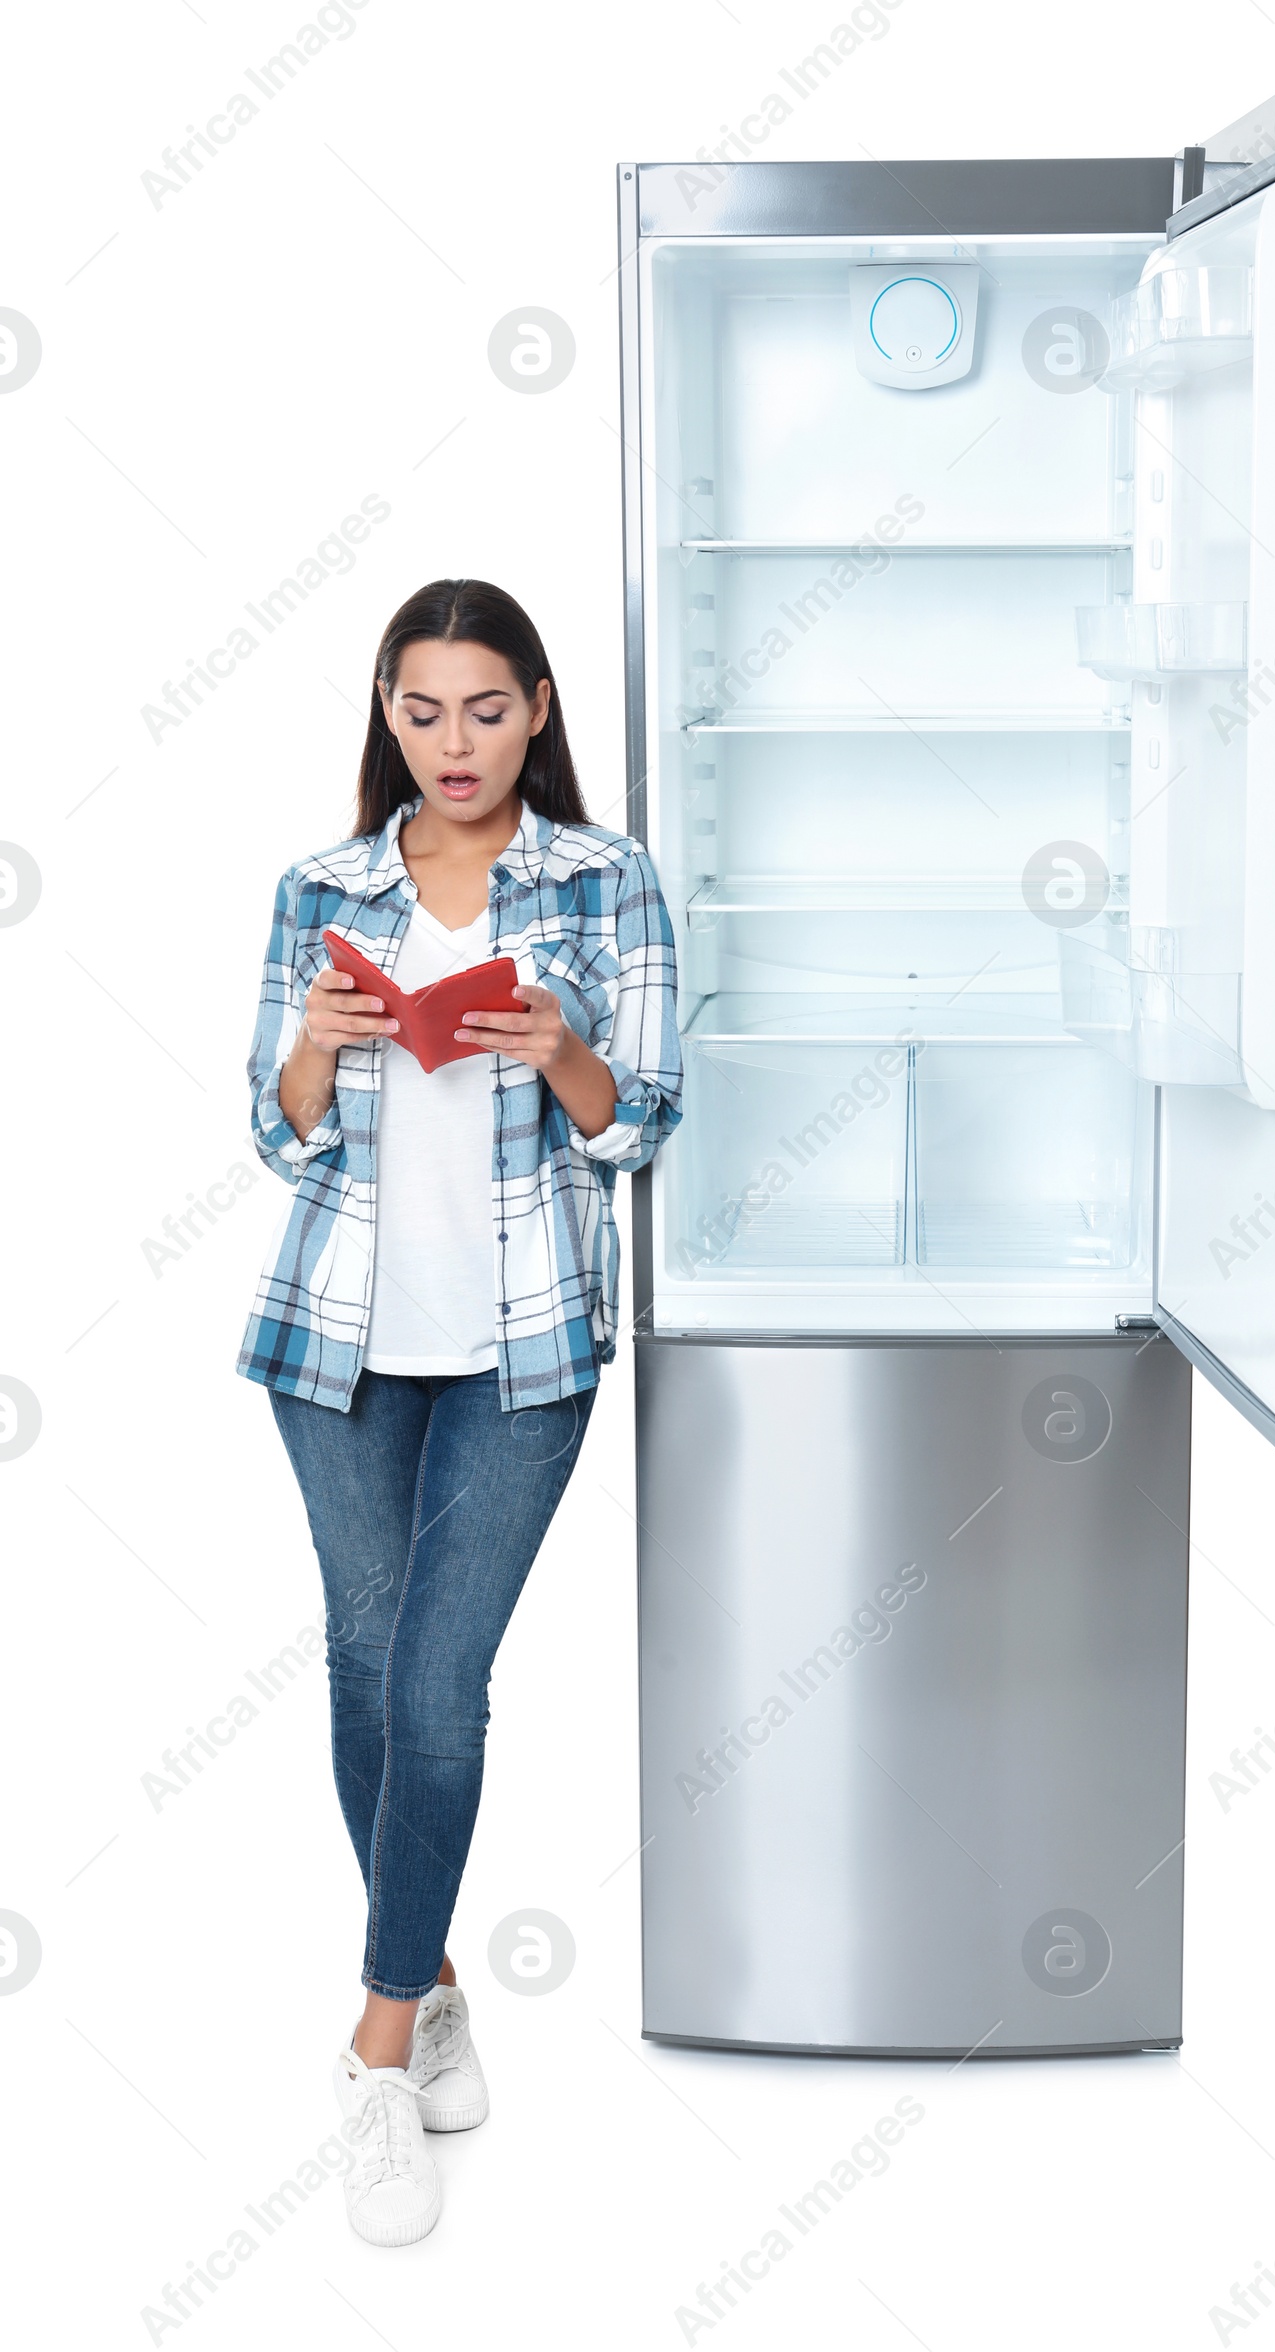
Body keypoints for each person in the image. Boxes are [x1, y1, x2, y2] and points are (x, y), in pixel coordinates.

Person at [238, 578, 681, 2245]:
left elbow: (642, 1129)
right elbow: (280, 1139)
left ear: (541, 709)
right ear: (385, 711)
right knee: (364, 1670)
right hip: (337, 1347)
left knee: (439, 1679)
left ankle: (368, 2058)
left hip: (521, 1352)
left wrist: (563, 1049)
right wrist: (316, 1046)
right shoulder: (322, 889)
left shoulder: (603, 879)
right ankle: (426, 1981)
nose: (453, 744)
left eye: (485, 710)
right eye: (421, 712)